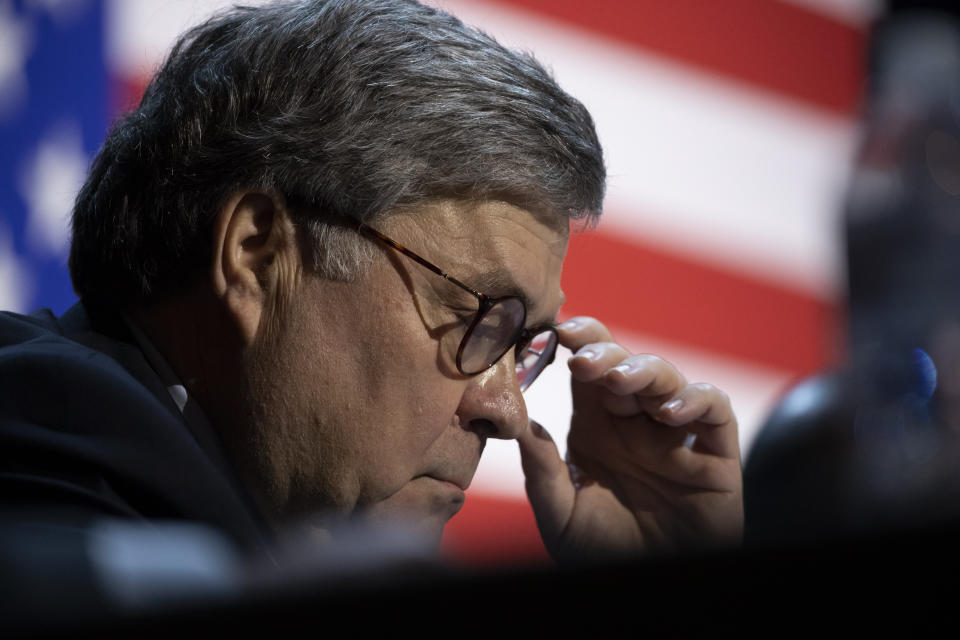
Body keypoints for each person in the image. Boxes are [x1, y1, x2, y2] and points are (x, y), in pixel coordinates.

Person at [0, 0, 743, 563]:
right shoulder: (47, 528)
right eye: (477, 315)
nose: (507, 412)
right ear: (258, 255)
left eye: (522, 344)